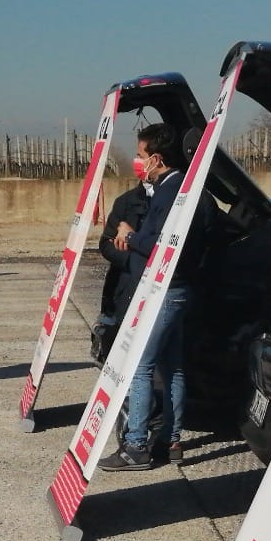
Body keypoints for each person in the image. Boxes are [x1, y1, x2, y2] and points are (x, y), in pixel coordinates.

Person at [98, 122, 212, 472]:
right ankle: (170, 441)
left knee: (140, 367)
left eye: (140, 155)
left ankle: (136, 446)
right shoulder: (190, 190)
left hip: (166, 289)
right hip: (180, 289)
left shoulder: (168, 193)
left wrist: (130, 237)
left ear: (156, 158)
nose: (138, 161)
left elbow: (162, 245)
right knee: (172, 368)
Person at [92, 156, 152, 362]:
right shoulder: (126, 202)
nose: (138, 161)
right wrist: (132, 260)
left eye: (142, 156)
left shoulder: (177, 201)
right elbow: (107, 243)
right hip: (125, 287)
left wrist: (132, 241)